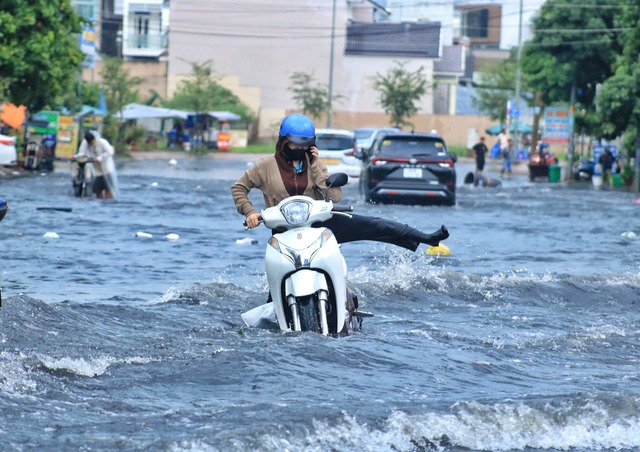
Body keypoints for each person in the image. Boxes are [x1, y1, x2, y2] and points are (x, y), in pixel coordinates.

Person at [231, 114, 449, 252]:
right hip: (282, 231)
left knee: (376, 224)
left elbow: (335, 197)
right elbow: (239, 188)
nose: (298, 150)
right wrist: (249, 212)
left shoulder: (314, 163)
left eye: (303, 146)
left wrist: (315, 165)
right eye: (293, 145)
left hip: (319, 225)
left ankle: (425, 238)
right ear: (282, 142)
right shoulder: (265, 166)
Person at [76, 131, 119, 199]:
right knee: (98, 189)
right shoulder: (86, 143)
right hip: (97, 170)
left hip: (107, 168)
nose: (91, 144)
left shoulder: (102, 142)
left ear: (94, 139)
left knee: (108, 188)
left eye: (92, 142)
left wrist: (100, 158)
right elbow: (82, 153)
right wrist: (76, 157)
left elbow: (110, 151)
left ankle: (108, 201)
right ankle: (99, 202)